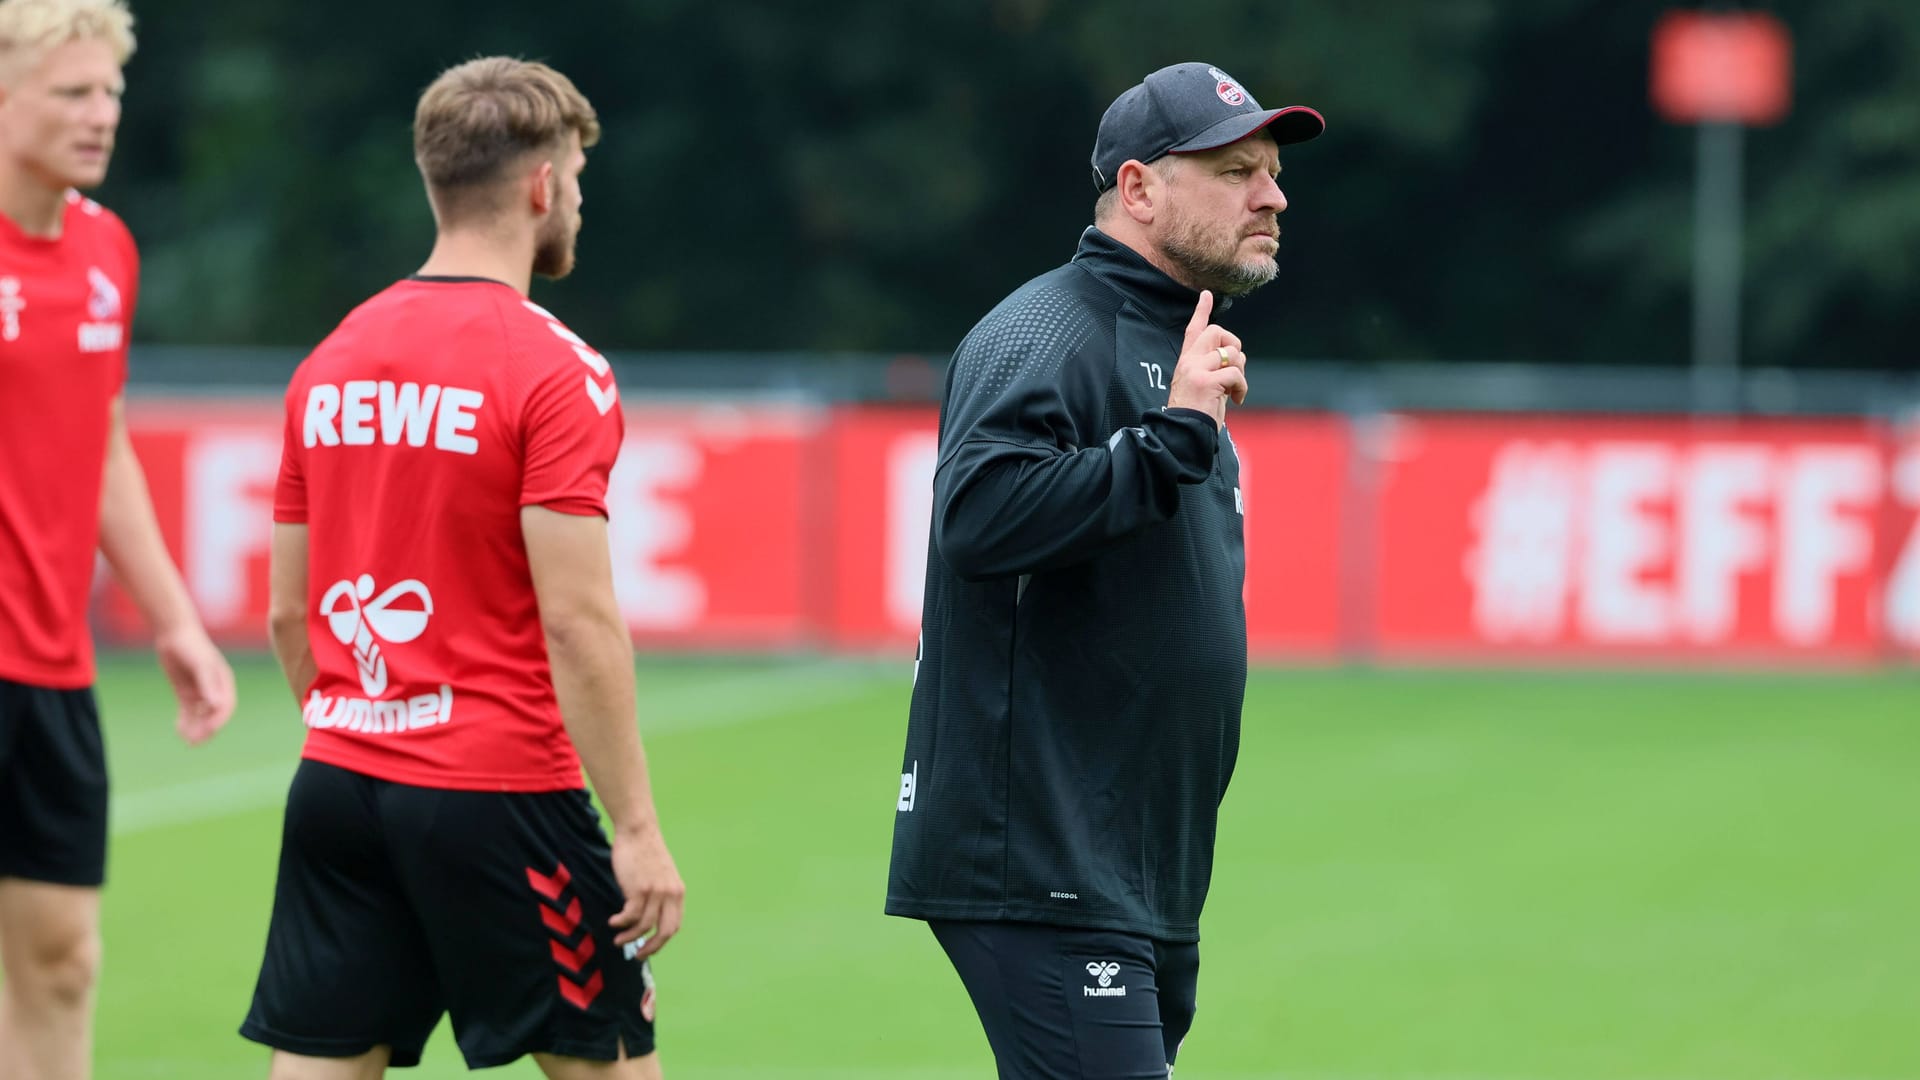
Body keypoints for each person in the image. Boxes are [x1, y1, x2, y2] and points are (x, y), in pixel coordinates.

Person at [239, 56, 684, 1079]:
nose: (578, 195)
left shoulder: (333, 356)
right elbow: (577, 622)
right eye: (575, 173)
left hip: (340, 784)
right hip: (501, 793)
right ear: (540, 187)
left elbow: (285, 616)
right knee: (608, 1064)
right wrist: (639, 830)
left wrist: (365, 727)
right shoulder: (555, 369)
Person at [886, 61, 1323, 1078]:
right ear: (1139, 190)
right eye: (1235, 171)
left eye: (1271, 171)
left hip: (1138, 873)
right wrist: (1169, 440)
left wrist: (1176, 427)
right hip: (1040, 862)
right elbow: (978, 520)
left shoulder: (1179, 346)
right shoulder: (1046, 332)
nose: (1273, 195)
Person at [0, 1, 235, 1076]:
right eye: (72, 94)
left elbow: (103, 447)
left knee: (62, 961)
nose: (101, 117)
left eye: (111, 95)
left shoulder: (106, 251)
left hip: (52, 666)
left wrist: (176, 619)